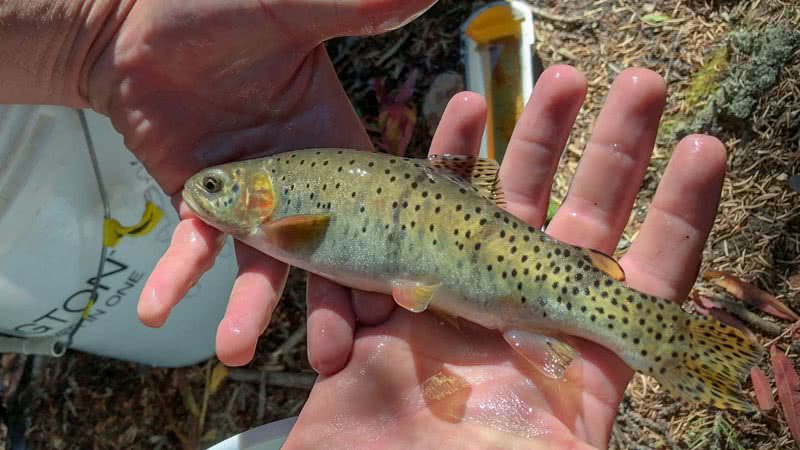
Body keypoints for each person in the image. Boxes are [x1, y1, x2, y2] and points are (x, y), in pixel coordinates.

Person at [1, 1, 727, 447]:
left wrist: (99, 31)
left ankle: (663, 338)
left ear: (259, 197)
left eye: (221, 187)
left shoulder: (280, 211)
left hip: (510, 272)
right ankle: (681, 344)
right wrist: (96, 33)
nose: (206, 192)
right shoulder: (278, 202)